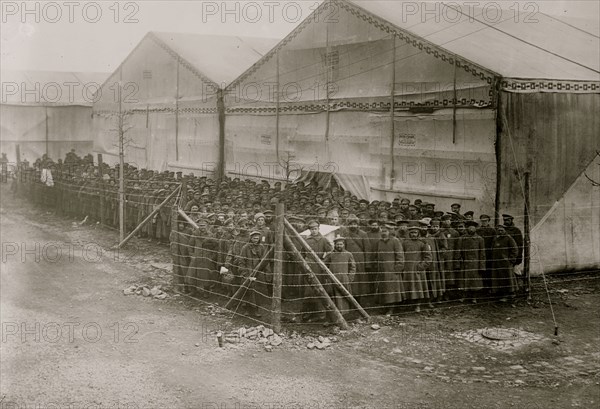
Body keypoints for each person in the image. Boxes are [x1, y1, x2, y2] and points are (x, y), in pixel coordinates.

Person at [301, 220, 333, 322]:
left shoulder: (323, 239)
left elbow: (330, 252)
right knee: (309, 290)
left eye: (315, 229)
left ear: (319, 229)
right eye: (311, 229)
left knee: (320, 289)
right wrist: (304, 263)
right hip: (309, 266)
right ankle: (308, 313)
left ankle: (321, 313)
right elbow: (302, 253)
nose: (314, 231)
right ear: (309, 230)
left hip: (319, 267)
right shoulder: (306, 240)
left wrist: (323, 260)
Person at [339, 215, 371, 306]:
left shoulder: (363, 234)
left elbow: (367, 249)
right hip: (348, 260)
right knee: (350, 279)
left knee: (360, 281)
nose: (353, 226)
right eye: (351, 224)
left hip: (360, 261)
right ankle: (351, 300)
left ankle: (360, 301)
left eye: (355, 224)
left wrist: (367, 264)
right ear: (348, 225)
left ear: (357, 224)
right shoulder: (345, 234)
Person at [239, 230, 272, 317]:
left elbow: (265, 261)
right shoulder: (245, 248)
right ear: (250, 238)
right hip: (248, 270)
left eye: (257, 238)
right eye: (254, 238)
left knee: (258, 292)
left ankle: (256, 310)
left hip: (258, 272)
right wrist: (244, 273)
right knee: (247, 291)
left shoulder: (262, 247)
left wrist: (267, 273)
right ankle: (247, 309)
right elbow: (241, 261)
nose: (255, 240)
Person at [374, 222, 405, 315]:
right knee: (384, 289)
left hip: (392, 270)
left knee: (391, 289)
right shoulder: (379, 242)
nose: (383, 233)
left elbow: (400, 255)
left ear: (390, 231)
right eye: (382, 231)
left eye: (385, 231)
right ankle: (385, 307)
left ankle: (391, 309)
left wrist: (398, 268)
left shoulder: (395, 241)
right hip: (382, 270)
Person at [323, 236, 357, 318]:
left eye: (341, 244)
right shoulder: (330, 254)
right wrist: (327, 277)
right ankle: (334, 316)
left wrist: (350, 278)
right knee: (334, 297)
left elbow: (353, 267)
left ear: (344, 244)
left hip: (344, 279)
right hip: (333, 279)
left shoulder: (348, 254)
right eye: (337, 244)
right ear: (334, 245)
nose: (339, 246)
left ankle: (345, 315)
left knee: (344, 296)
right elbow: (324, 265)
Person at [402, 222, 432, 312]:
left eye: (415, 232)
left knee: (419, 287)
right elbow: (401, 255)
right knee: (408, 287)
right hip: (407, 269)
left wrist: (421, 266)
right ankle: (410, 304)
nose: (413, 234)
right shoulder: (405, 243)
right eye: (411, 233)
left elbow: (428, 257)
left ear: (418, 233)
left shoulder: (423, 243)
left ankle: (417, 305)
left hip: (417, 269)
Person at [456, 221, 485, 303]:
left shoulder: (480, 239)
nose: (471, 229)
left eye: (473, 227)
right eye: (469, 227)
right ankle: (463, 296)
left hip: (475, 264)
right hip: (464, 263)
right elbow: (458, 252)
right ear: (466, 228)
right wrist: (458, 263)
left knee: (474, 282)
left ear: (475, 228)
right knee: (463, 281)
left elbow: (482, 254)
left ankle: (474, 297)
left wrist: (482, 266)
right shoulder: (461, 238)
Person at [490, 225, 519, 302]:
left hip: (505, 263)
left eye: (501, 230)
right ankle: (501, 293)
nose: (500, 232)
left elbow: (515, 249)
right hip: (496, 262)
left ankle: (510, 294)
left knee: (507, 278)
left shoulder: (508, 238)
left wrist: (511, 260)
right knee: (499, 278)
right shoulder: (496, 238)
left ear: (504, 230)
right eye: (498, 230)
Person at [477, 214, 497, 293]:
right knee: (481, 270)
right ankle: (482, 287)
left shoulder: (492, 231)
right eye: (482, 221)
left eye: (485, 221)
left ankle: (489, 287)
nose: (484, 222)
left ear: (488, 221)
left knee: (489, 270)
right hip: (480, 253)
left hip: (489, 253)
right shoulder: (478, 230)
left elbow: (494, 242)